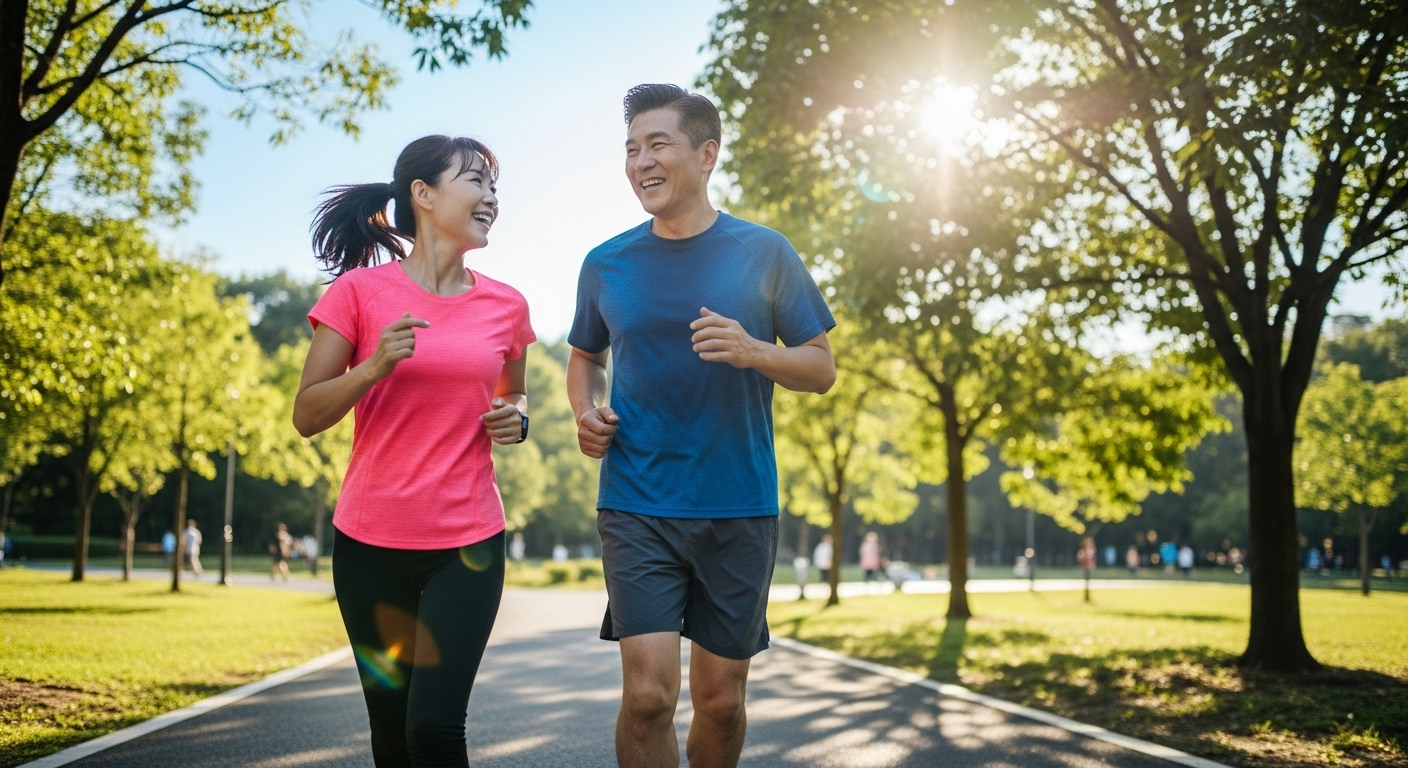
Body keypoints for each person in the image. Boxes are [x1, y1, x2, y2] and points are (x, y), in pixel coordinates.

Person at [568, 84, 835, 768]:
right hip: (637, 500)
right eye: (631, 149)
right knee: (650, 695)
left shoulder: (766, 252)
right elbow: (584, 360)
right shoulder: (606, 262)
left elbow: (819, 367)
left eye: (658, 144)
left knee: (721, 700)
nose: (640, 162)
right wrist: (584, 412)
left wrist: (754, 350)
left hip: (738, 502)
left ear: (707, 153)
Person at [292, 135, 534, 768]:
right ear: (424, 195)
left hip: (467, 543)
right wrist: (372, 368)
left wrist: (518, 421)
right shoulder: (357, 294)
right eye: (476, 182)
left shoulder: (506, 306)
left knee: (433, 728)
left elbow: (515, 396)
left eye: (494, 187)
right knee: (392, 735)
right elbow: (307, 414)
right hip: (369, 545)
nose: (491, 198)